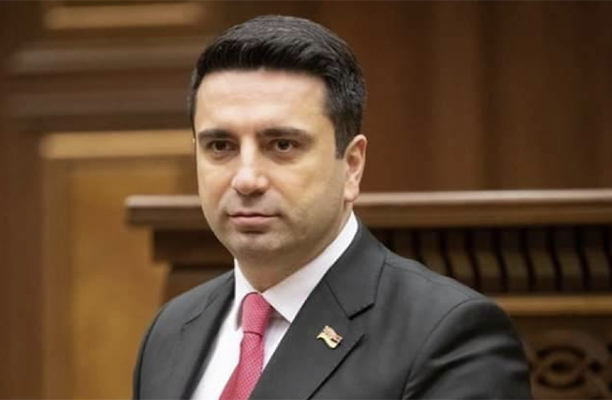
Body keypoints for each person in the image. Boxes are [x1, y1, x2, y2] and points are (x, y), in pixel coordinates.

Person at [131, 15, 532, 400]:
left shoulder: (447, 337)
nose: (246, 179)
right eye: (221, 146)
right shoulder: (171, 331)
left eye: (282, 145)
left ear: (352, 166)